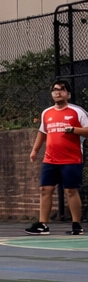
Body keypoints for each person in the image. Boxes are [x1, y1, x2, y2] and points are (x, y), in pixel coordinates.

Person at [25, 80, 88, 236]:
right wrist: (35, 150)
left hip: (71, 159)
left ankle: (76, 225)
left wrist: (74, 130)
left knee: (70, 191)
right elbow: (43, 132)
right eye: (55, 90)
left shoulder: (77, 112)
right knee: (45, 189)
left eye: (62, 90)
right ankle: (43, 225)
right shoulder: (47, 113)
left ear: (68, 94)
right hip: (50, 159)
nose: (58, 92)